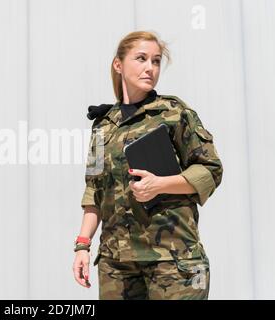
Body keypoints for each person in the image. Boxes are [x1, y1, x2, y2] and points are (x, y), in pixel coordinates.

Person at [72, 31, 223, 300]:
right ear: (119, 65)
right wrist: (82, 245)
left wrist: (160, 184)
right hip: (116, 265)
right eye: (141, 59)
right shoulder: (102, 127)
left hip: (173, 261)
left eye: (155, 61)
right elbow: (93, 191)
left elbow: (210, 169)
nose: (150, 68)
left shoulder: (174, 113)